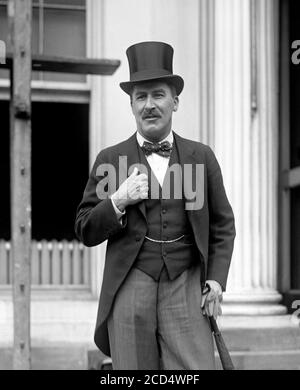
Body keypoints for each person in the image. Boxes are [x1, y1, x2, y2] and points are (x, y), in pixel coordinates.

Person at [75, 41, 235, 370]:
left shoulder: (200, 157)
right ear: (131, 105)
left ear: (175, 101)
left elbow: (223, 224)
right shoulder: (112, 160)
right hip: (130, 284)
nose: (149, 105)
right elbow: (85, 228)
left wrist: (217, 280)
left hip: (187, 284)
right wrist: (118, 199)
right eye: (141, 97)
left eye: (158, 95)